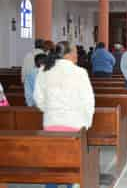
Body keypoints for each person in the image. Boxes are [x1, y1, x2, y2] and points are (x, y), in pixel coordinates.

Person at [34, 41, 95, 188]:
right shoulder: (80, 72)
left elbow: (38, 98)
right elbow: (88, 101)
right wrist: (86, 123)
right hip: (74, 125)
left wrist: (50, 110)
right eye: (74, 51)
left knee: (53, 163)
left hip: (51, 124)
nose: (77, 54)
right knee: (72, 165)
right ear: (68, 54)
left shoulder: (43, 71)